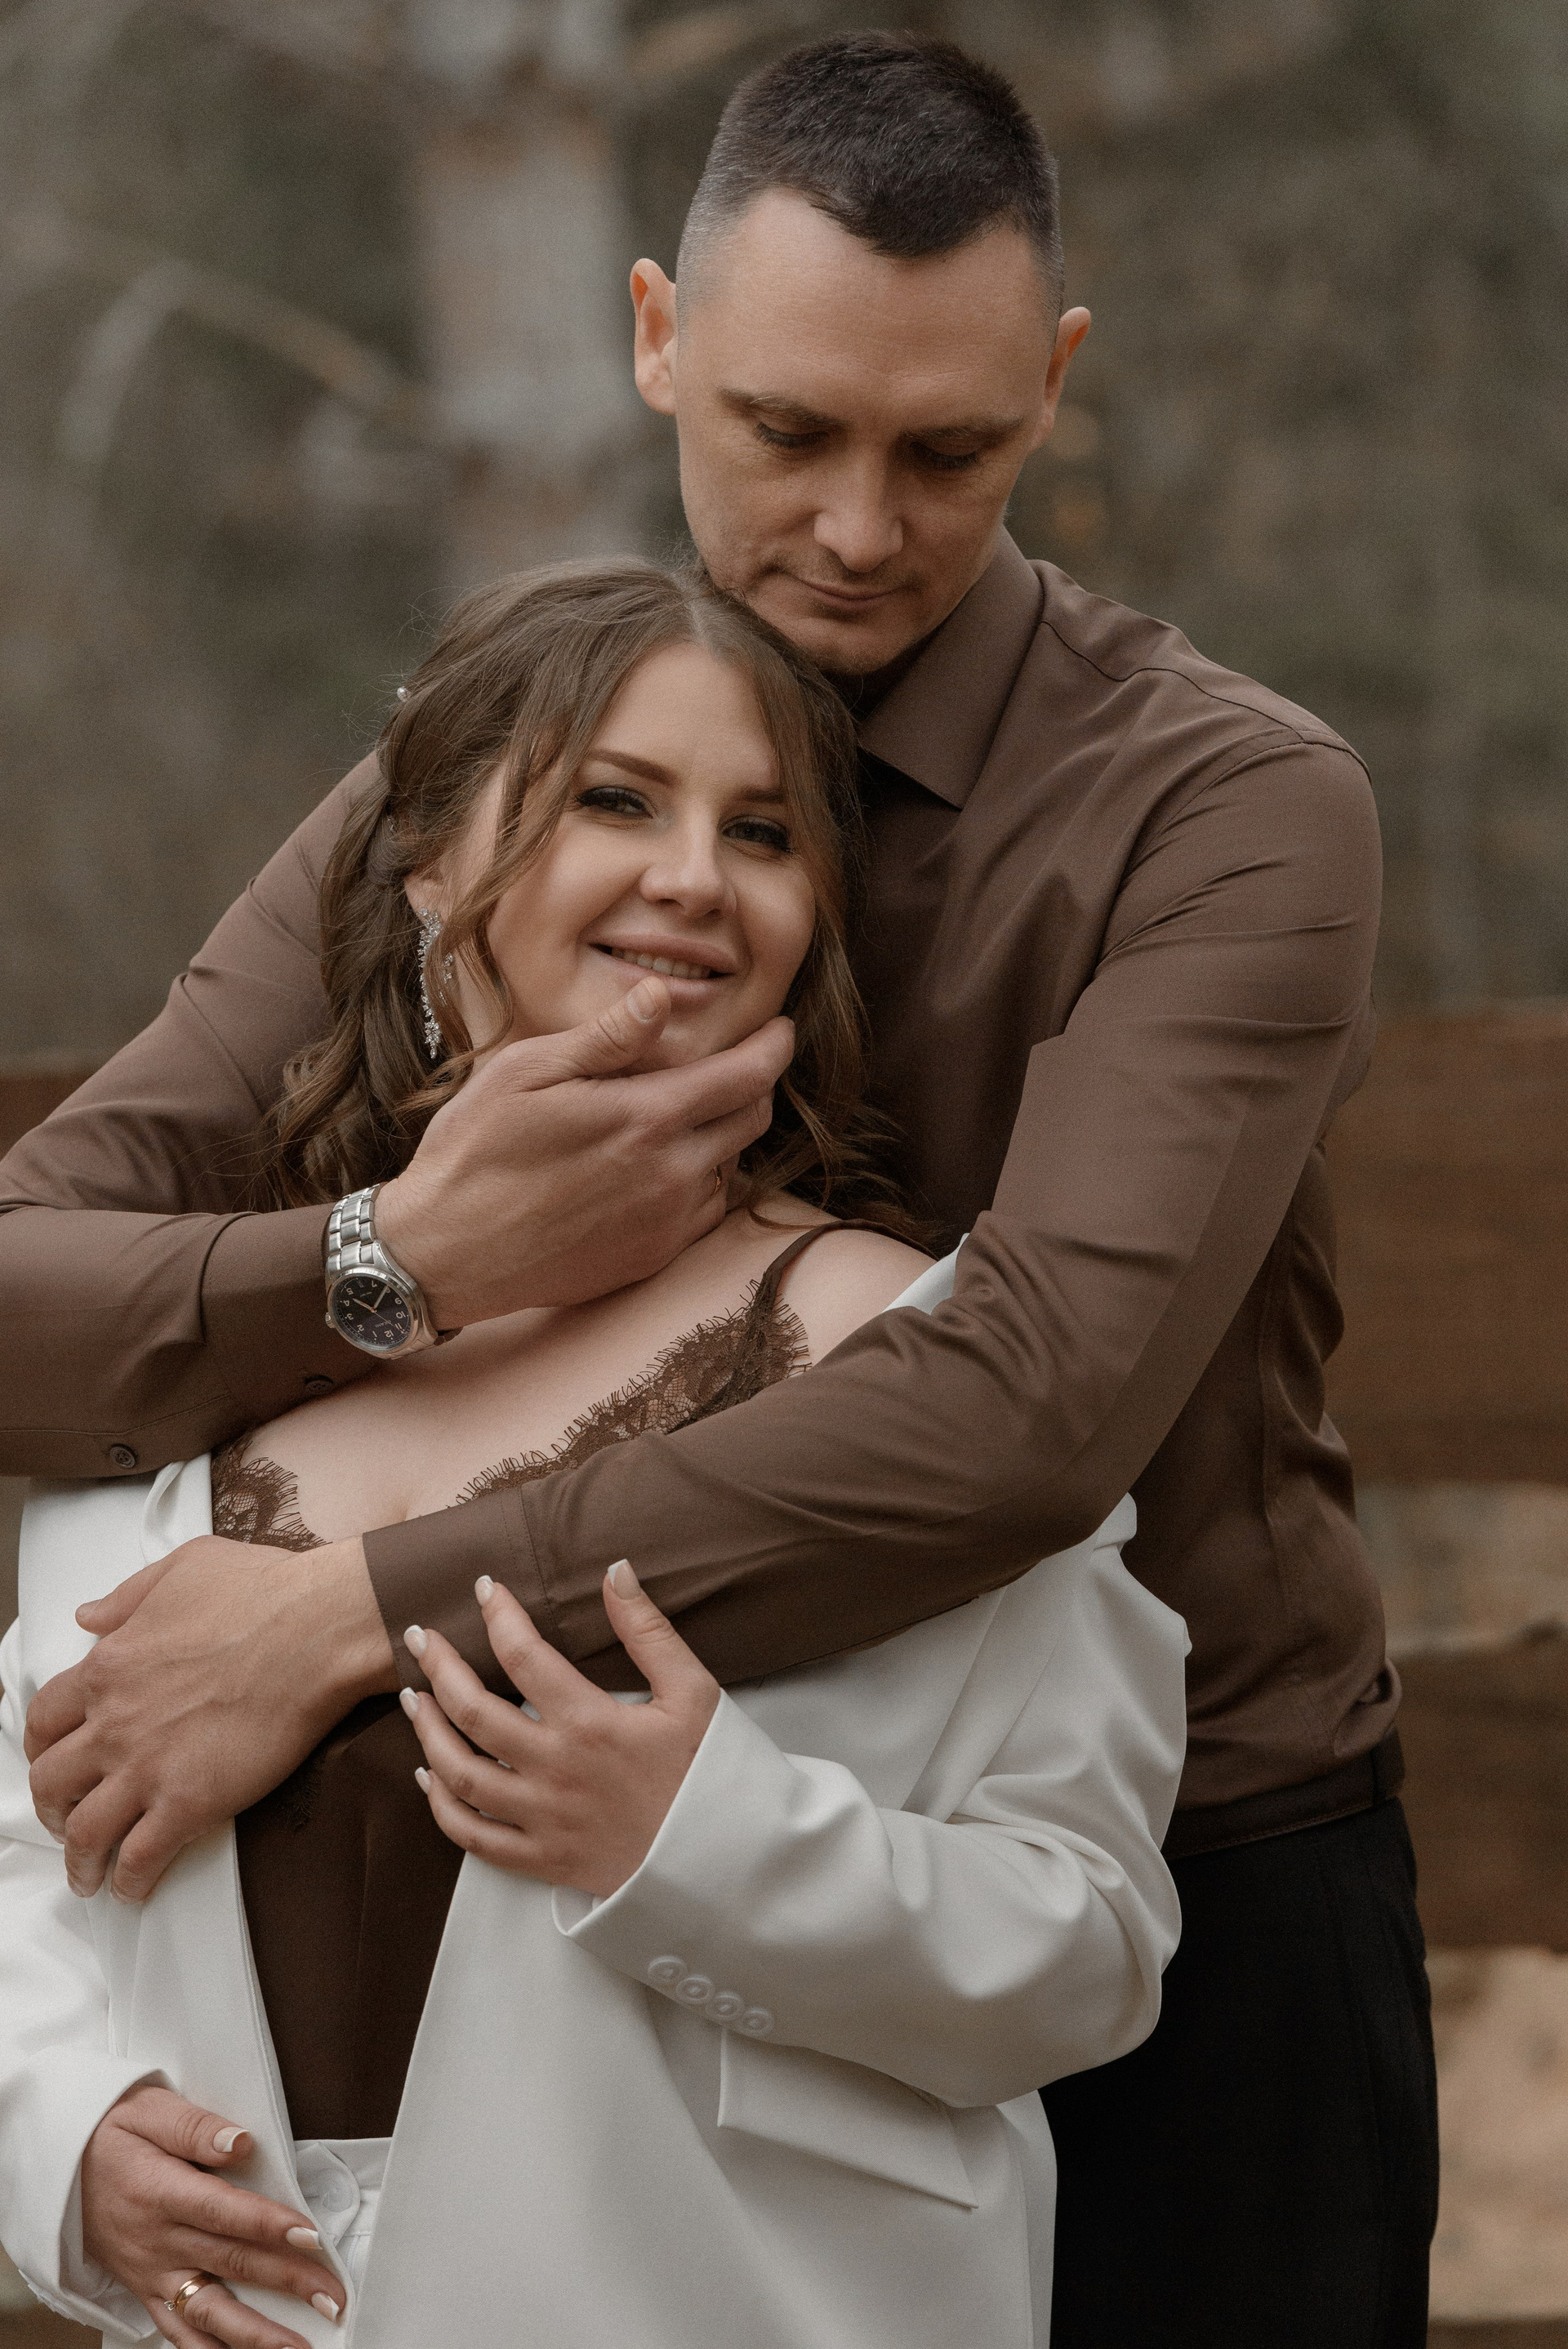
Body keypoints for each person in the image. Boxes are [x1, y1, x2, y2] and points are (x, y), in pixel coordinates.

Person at [2, 31, 1436, 2347]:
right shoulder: (457, 796)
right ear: (657, 338)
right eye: (789, 431)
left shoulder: (1227, 808)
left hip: (1170, 1903)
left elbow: (1027, 1409)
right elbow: (31, 1277)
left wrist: (358, 1612)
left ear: (1053, 388)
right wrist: (395, 1264)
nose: (857, 527)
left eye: (945, 451)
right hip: (553, 1966)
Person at [0, 559, 1187, 2349]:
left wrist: (701, 1841)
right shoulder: (207, 1354)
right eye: (614, 801)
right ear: (423, 867)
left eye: (762, 832)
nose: (694, 877)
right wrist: (60, 2143)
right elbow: (25, 1860)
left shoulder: (898, 1353)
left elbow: (1083, 1944)